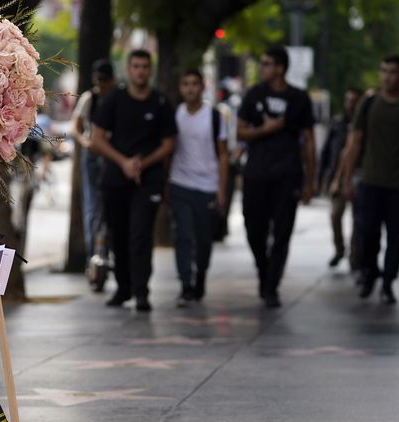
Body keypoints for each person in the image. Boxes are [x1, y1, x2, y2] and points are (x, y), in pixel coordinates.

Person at [91, 50, 176, 311]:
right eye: (136, 66)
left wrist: (143, 164)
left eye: (144, 67)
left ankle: (141, 291)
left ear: (150, 70)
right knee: (119, 236)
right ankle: (123, 288)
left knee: (140, 235)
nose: (140, 71)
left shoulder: (160, 102)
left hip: (148, 180)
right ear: (128, 69)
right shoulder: (114, 99)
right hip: (116, 178)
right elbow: (97, 139)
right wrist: (124, 163)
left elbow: (169, 143)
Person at [237, 45, 316, 309]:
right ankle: (264, 268)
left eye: (266, 63)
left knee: (282, 233)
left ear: (280, 68)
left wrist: (310, 179)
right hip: (257, 173)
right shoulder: (254, 95)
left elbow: (309, 141)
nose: (262, 68)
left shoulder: (299, 98)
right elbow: (241, 132)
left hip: (287, 174)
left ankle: (271, 286)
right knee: (253, 229)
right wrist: (264, 129)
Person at [343, 55, 399, 304]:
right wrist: (346, 179)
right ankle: (369, 272)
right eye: (383, 71)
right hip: (370, 181)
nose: (387, 76)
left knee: (395, 236)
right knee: (367, 233)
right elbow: (355, 142)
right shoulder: (368, 104)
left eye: (392, 72)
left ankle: (388, 282)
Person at [168, 69, 229, 307]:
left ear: (202, 87)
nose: (191, 88)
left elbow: (223, 155)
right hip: (180, 183)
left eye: (195, 83)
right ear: (181, 88)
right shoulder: (175, 115)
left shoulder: (215, 117)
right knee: (183, 235)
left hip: (207, 186)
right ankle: (185, 284)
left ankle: (200, 277)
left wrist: (222, 189)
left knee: (203, 240)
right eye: (186, 83)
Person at [72, 59, 115, 263]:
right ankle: (93, 255)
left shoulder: (117, 98)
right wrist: (84, 142)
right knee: (92, 206)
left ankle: (112, 250)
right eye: (98, 80)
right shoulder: (90, 98)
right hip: (93, 154)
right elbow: (76, 125)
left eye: (105, 80)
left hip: (114, 155)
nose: (101, 85)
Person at [320, 87, 362, 269]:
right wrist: (323, 178)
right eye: (348, 100)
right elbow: (328, 151)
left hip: (359, 175)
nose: (350, 104)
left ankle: (355, 255)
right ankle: (339, 249)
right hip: (339, 174)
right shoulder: (338, 123)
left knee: (358, 218)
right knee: (335, 214)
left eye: (354, 101)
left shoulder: (364, 124)